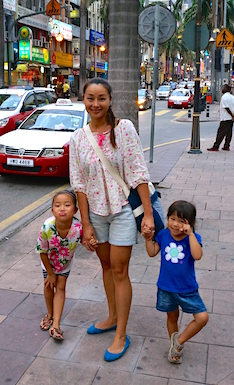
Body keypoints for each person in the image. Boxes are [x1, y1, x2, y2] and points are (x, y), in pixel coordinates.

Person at [69, 78, 158, 362]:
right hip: (96, 213)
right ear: (83, 99)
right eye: (90, 98)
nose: (96, 104)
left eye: (101, 98)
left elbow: (137, 172)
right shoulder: (78, 138)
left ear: (110, 99)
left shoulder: (124, 129)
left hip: (122, 211)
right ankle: (111, 316)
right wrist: (86, 224)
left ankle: (121, 333)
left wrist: (146, 213)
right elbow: (79, 184)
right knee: (105, 265)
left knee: (119, 270)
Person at [144, 200, 208, 364]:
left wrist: (191, 234)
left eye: (181, 221)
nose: (175, 224)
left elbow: (197, 255)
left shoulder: (193, 238)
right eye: (172, 219)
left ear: (190, 224)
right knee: (172, 317)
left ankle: (179, 342)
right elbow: (152, 252)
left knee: (202, 318)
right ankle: (174, 349)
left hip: (187, 289)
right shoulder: (163, 234)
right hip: (166, 288)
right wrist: (147, 239)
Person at [36, 190, 83, 341]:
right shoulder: (47, 227)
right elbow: (42, 251)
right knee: (49, 285)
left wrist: (91, 242)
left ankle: (56, 325)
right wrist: (50, 273)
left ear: (75, 210)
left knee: (61, 287)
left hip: (65, 262)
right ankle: (50, 314)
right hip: (48, 261)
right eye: (58, 205)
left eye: (67, 205)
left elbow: (86, 241)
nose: (62, 208)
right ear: (52, 210)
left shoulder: (78, 228)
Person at [207, 84, 234, 152]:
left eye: (223, 87)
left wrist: (232, 115)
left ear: (226, 89)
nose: (222, 89)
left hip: (225, 118)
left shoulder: (224, 97)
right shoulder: (233, 97)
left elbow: (226, 107)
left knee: (220, 133)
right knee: (229, 133)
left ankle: (216, 146)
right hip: (231, 119)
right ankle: (227, 146)